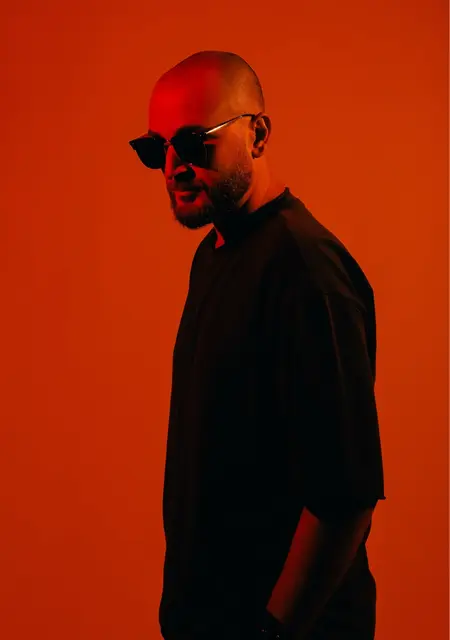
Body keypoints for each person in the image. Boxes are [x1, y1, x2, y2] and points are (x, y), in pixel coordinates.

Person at [129, 50, 386, 640]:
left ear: (258, 135)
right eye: (155, 149)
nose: (172, 166)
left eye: (193, 143)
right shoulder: (215, 253)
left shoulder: (306, 272)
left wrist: (274, 630)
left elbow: (344, 495)